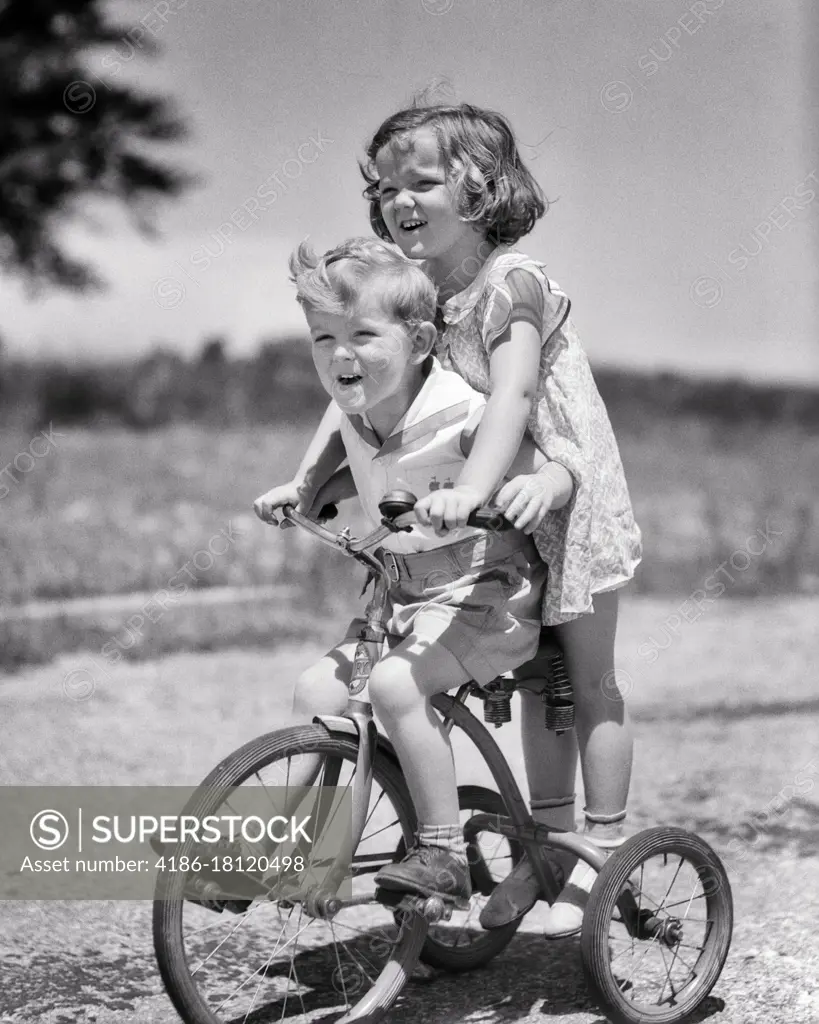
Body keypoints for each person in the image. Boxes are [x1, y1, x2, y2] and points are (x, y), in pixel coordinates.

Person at [353, 101, 644, 937]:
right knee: (535, 689)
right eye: (383, 187)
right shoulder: (418, 297)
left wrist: (471, 488)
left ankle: (601, 846)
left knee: (587, 684)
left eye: (421, 181)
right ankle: (543, 850)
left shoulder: (512, 281)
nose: (397, 200)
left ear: (479, 189)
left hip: (565, 490)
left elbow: (516, 395)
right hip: (499, 506)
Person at [255, 236, 574, 902]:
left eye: (363, 336)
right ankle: (274, 850)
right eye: (322, 339)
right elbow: (359, 464)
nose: (340, 356)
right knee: (315, 690)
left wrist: (477, 493)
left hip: (485, 594)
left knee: (397, 689)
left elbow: (532, 463)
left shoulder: (458, 411)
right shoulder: (357, 411)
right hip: (402, 597)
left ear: (421, 340)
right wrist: (302, 490)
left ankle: (441, 855)